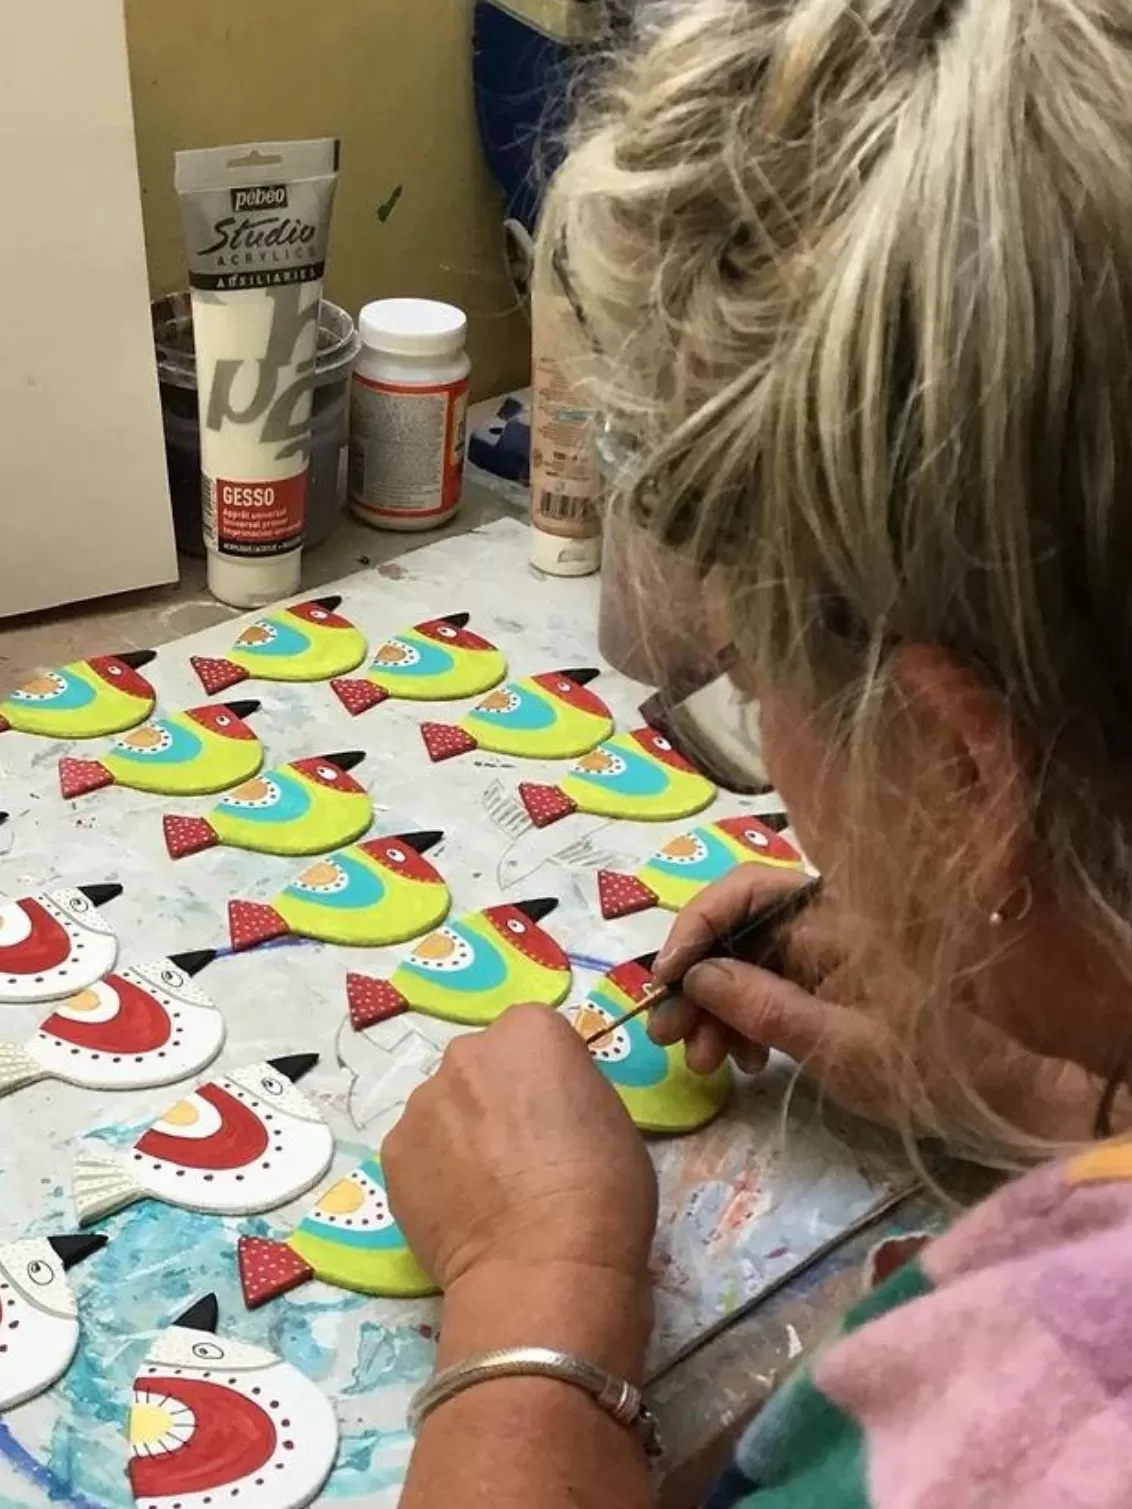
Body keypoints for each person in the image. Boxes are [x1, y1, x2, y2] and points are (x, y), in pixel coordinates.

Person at [384, 2, 1132, 1503]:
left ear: (965, 770)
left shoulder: (1043, 1423)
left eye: (742, 686)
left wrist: (542, 1296)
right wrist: (1064, 1077)